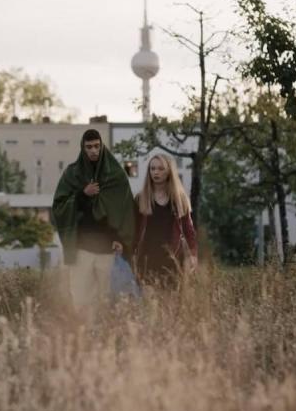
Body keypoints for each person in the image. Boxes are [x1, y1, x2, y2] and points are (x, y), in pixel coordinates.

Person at [53, 129, 137, 319]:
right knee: (81, 300)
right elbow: (59, 206)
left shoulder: (115, 174)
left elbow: (125, 210)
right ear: (83, 148)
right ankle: (87, 340)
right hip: (82, 248)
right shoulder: (72, 174)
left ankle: (108, 340)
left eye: (97, 146)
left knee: (108, 299)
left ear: (102, 146)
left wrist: (119, 238)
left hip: (109, 250)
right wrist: (83, 194)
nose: (93, 150)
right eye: (89, 147)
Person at [134, 154, 198, 287]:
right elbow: (134, 229)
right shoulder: (141, 198)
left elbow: (189, 230)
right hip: (147, 259)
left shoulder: (180, 199)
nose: (156, 172)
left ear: (169, 171)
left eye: (160, 168)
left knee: (171, 305)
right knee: (149, 304)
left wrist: (193, 254)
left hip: (172, 258)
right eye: (152, 169)